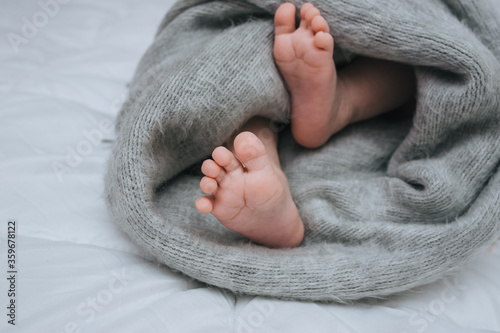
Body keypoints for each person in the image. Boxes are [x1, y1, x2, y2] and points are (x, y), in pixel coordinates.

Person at [194, 2, 416, 248]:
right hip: (254, 24)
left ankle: (337, 104)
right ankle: (264, 184)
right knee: (239, 86)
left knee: (413, 49)